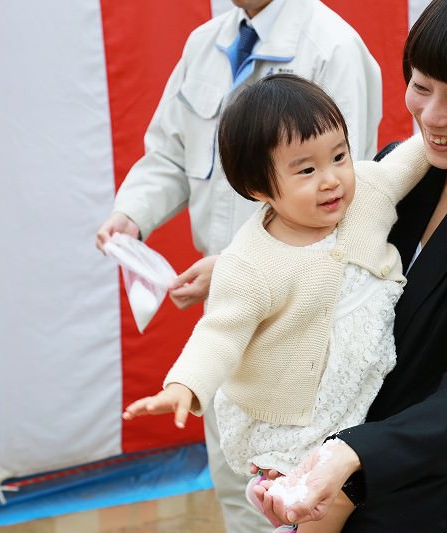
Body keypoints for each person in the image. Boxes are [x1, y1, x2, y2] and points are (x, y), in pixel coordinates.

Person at [253, 0, 447, 531]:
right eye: (421, 87)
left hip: (415, 500)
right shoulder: (408, 163)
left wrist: (350, 453)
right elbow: (332, 250)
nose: (433, 117)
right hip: (317, 477)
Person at [94, 1, 382, 531]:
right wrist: (130, 217)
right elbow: (169, 155)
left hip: (304, 322)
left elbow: (345, 196)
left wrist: (234, 266)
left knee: (307, 495)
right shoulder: (205, 44)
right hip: (231, 309)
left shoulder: (331, 46)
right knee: (239, 486)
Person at [121, 74, 429, 532]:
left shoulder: (367, 191)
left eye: (339, 156)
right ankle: (282, 492)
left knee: (348, 483)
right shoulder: (250, 262)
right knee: (324, 500)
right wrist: (184, 385)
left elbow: (411, 156)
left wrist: (438, 131)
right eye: (305, 170)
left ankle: (286, 499)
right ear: (259, 188)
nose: (331, 180)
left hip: (360, 393)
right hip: (291, 417)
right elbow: (220, 334)